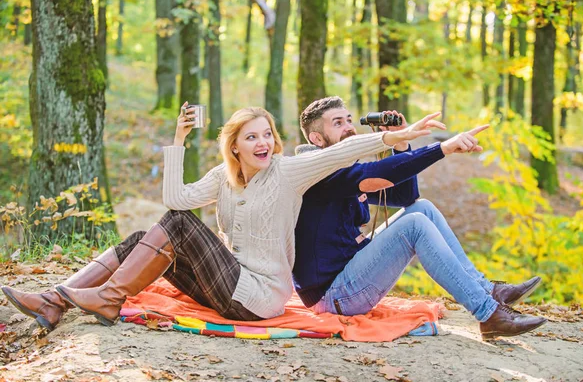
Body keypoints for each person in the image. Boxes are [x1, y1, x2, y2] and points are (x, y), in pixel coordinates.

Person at [2, 103, 435, 330]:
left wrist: (394, 137)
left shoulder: (286, 172)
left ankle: (109, 298)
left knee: (178, 224)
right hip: (227, 283)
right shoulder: (223, 176)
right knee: (141, 235)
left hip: (259, 297)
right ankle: (54, 301)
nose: (263, 142)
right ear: (235, 146)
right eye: (252, 137)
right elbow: (176, 195)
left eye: (267, 134)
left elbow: (342, 150)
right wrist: (179, 138)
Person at [293, 96, 547, 340]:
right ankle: (488, 314)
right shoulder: (317, 172)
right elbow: (382, 172)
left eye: (349, 120)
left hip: (349, 276)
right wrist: (443, 148)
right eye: (338, 123)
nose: (349, 128)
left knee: (421, 209)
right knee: (414, 226)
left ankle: (488, 290)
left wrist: (400, 145)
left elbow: (405, 198)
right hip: (333, 296)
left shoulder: (341, 169)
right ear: (316, 138)